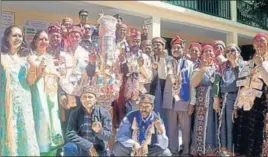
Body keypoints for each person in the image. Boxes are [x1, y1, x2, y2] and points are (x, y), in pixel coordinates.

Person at [0, 25, 40, 156]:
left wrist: (34, 66)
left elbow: (30, 82)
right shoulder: (2, 57)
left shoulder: (25, 58)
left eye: (20, 36)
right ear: (7, 37)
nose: (18, 38)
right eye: (14, 35)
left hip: (24, 102)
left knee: (25, 130)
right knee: (8, 130)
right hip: (5, 102)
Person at [28, 30, 64, 156]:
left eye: (46, 39)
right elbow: (31, 80)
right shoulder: (31, 57)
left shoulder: (50, 58)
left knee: (53, 121)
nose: (44, 42)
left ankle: (52, 151)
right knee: (42, 121)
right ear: (35, 41)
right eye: (41, 39)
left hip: (51, 95)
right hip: (38, 95)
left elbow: (58, 76)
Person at [233, 33, 268, 156]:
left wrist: (260, 65)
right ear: (253, 45)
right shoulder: (248, 64)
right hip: (245, 106)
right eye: (256, 41)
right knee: (245, 140)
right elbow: (242, 86)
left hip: (261, 106)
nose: (259, 43)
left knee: (258, 141)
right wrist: (236, 106)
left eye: (262, 41)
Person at [162, 35, 195, 156]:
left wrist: (192, 103)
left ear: (183, 49)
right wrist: (162, 59)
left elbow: (192, 85)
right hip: (170, 101)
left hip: (184, 101)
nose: (176, 50)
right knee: (172, 130)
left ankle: (186, 151)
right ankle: (173, 152)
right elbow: (161, 76)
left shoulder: (189, 64)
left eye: (178, 48)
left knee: (186, 129)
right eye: (174, 48)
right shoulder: (166, 62)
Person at [63, 85, 113, 156]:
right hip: (82, 146)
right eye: (84, 97)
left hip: (98, 147)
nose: (87, 99)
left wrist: (99, 131)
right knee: (69, 147)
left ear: (95, 99)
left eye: (90, 97)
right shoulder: (75, 113)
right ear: (80, 100)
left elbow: (109, 136)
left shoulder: (104, 113)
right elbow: (69, 134)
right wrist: (89, 146)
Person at [190, 44, 219, 156]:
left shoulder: (218, 68)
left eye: (210, 51)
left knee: (213, 124)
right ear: (201, 55)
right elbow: (193, 83)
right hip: (201, 101)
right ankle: (200, 150)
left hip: (214, 101)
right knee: (200, 125)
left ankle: (212, 150)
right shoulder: (197, 68)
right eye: (205, 51)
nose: (208, 53)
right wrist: (203, 68)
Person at [217, 43, 244, 156]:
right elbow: (219, 84)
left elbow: (241, 84)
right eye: (228, 51)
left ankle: (233, 151)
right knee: (224, 125)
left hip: (236, 99)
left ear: (238, 52)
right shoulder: (224, 68)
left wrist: (236, 106)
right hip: (225, 100)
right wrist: (218, 99)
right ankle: (225, 150)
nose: (230, 53)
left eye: (233, 50)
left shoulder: (244, 66)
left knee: (233, 126)